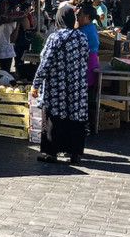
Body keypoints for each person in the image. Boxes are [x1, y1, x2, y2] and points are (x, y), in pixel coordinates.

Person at [31, 10, 89, 164]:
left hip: (57, 86)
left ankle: (51, 153)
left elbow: (45, 63)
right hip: (77, 86)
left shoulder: (55, 37)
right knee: (75, 118)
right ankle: (75, 153)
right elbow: (85, 59)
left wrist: (36, 83)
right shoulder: (82, 37)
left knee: (54, 118)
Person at [76, 4, 100, 132]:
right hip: (91, 62)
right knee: (88, 94)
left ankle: (85, 124)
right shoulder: (90, 27)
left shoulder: (85, 30)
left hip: (87, 64)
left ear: (86, 16)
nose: (77, 17)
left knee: (85, 95)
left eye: (79, 15)